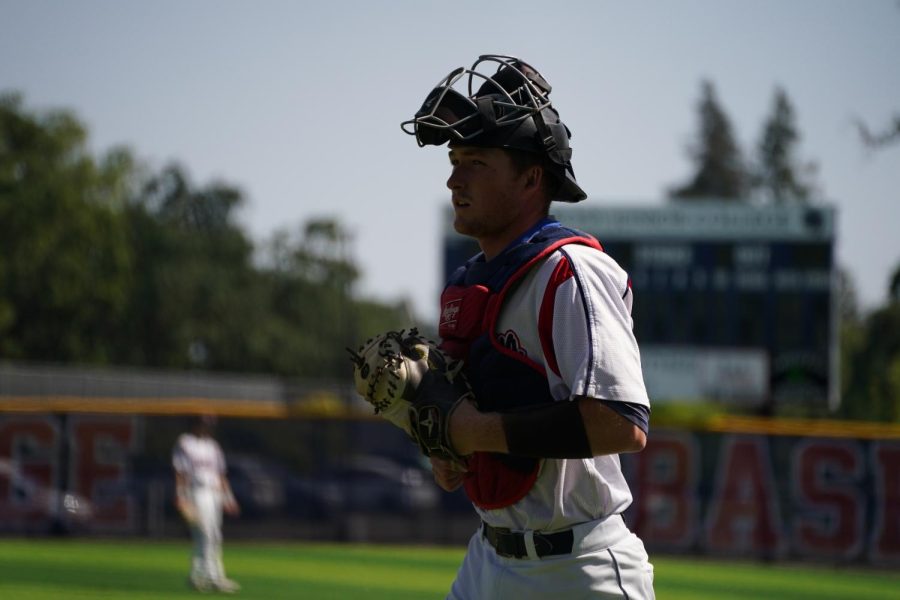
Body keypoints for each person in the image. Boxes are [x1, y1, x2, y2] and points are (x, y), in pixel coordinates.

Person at [401, 55, 655, 599]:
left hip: (579, 569)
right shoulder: (470, 281)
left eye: (475, 161)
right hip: (487, 558)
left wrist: (475, 432)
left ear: (531, 177)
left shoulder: (570, 271)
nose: (453, 178)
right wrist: (450, 452)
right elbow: (480, 410)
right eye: (454, 159)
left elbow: (622, 422)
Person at [172, 414, 241, 593]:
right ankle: (214, 577)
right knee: (206, 535)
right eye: (203, 424)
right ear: (194, 424)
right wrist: (181, 496)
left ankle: (197, 575)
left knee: (211, 536)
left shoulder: (213, 446)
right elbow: (181, 472)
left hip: (214, 494)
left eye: (208, 425)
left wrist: (229, 498)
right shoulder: (185, 442)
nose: (206, 428)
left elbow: (221, 474)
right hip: (197, 492)